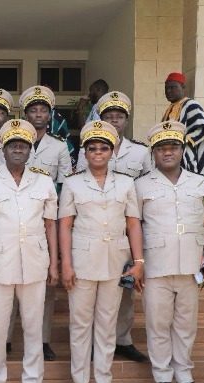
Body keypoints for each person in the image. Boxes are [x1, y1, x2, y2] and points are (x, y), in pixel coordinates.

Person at [0, 119, 58, 383]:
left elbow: (51, 225)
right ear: (3, 150)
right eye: (12, 145)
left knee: (33, 326)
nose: (18, 150)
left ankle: (32, 381)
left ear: (30, 150)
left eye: (23, 146)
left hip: (35, 263)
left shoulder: (44, 181)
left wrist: (54, 263)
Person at [59, 120, 144, 383]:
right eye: (92, 148)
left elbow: (133, 223)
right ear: (84, 152)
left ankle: (104, 379)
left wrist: (138, 261)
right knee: (80, 323)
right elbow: (64, 225)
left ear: (112, 151)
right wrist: (66, 264)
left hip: (115, 261)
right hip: (82, 262)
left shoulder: (126, 182)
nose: (98, 152)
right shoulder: (72, 182)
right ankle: (81, 379)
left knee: (107, 323)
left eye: (104, 148)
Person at [137, 120, 204, 383]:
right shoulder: (140, 185)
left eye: (173, 146)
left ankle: (184, 377)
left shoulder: (200, 183)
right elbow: (134, 226)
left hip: (190, 265)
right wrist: (136, 263)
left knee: (186, 325)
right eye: (161, 147)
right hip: (155, 266)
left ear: (182, 150)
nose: (167, 152)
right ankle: (162, 377)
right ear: (153, 152)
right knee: (157, 325)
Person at [76, 91, 151, 363]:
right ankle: (94, 341)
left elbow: (148, 188)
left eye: (119, 116)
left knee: (125, 288)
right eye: (109, 116)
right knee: (93, 294)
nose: (114, 121)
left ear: (126, 121)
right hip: (94, 229)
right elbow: (80, 181)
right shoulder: (88, 149)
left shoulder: (141, 151)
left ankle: (122, 340)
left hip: (129, 226)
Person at [20, 85, 72, 361]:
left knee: (46, 286)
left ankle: (42, 340)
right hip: (17, 219)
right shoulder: (12, 141)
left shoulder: (59, 145)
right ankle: (9, 339)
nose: (38, 115)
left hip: (47, 220)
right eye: (33, 110)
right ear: (25, 114)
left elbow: (64, 186)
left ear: (50, 115)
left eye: (43, 110)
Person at [161, 72, 204, 176]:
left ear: (183, 87)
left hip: (185, 159)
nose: (168, 91)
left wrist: (183, 140)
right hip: (168, 158)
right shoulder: (169, 109)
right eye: (166, 88)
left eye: (172, 87)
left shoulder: (191, 105)